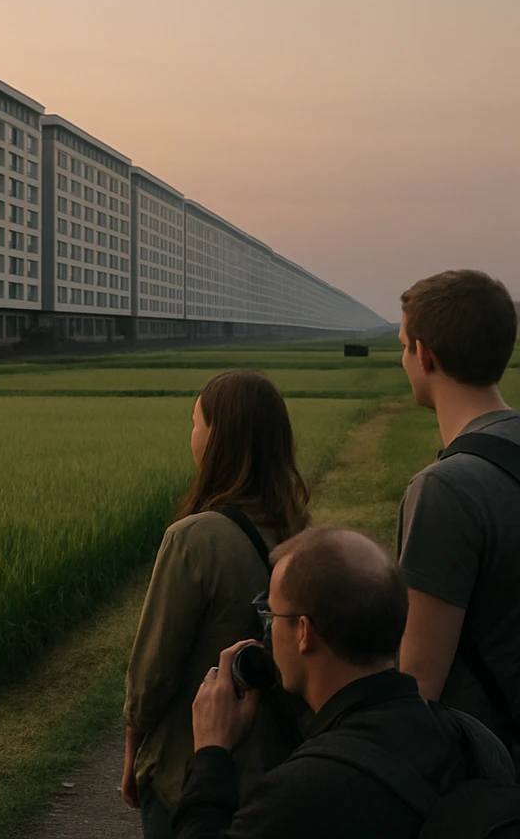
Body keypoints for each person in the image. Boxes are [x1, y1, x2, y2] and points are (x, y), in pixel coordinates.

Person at [172, 526, 515, 839]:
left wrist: (211, 753)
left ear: (304, 633)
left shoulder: (298, 796)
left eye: (272, 615)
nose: (269, 632)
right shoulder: (473, 741)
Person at [122, 370, 310, 836]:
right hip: (277, 774)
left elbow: (153, 675)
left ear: (217, 439)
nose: (192, 433)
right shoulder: (301, 532)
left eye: (196, 422)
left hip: (191, 775)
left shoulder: (193, 538)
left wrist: (132, 754)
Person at [396, 270, 520, 759]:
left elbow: (419, 684)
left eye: (403, 347)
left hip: (484, 768)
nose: (403, 360)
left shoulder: (446, 489)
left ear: (425, 355)